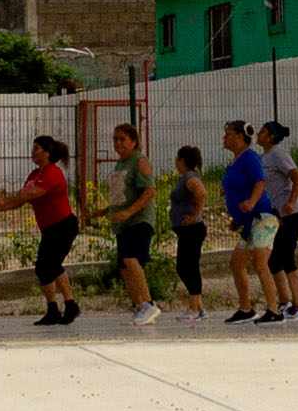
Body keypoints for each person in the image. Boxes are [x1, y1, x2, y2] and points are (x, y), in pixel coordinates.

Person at [0, 133, 83, 326]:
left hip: (63, 225)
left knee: (50, 265)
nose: (32, 152)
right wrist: (0, 207)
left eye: (36, 148)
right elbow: (22, 199)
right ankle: (54, 309)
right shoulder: (34, 175)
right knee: (44, 268)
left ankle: (70, 305)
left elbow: (32, 194)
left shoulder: (52, 173)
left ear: (47, 152)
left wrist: (5, 200)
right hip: (49, 229)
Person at [100, 122, 155, 320]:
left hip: (138, 220)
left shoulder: (139, 161)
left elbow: (150, 191)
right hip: (122, 224)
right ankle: (139, 305)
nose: (118, 143)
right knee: (123, 266)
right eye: (115, 139)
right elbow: (121, 195)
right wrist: (103, 212)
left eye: (122, 139)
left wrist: (129, 212)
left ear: (133, 141)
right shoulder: (120, 164)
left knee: (131, 259)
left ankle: (148, 303)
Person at [217, 123, 269, 322]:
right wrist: (236, 219)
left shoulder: (249, 157)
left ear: (240, 137)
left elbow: (259, 182)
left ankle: (274, 309)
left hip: (261, 217)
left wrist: (252, 202)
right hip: (247, 222)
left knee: (260, 263)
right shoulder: (235, 161)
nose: (224, 138)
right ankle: (246, 308)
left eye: (228, 134)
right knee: (236, 262)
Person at [258, 121, 298, 322]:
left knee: (286, 256)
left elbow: (297, 177)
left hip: (292, 213)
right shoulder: (264, 157)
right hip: (277, 215)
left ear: (271, 136)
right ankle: (284, 301)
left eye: (262, 131)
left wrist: (291, 202)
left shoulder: (278, 154)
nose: (259, 134)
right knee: (273, 259)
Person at [161, 135, 208, 316]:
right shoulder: (186, 178)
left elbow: (201, 193)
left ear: (182, 160)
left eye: (177, 159)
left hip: (192, 230)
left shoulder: (190, 177)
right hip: (187, 231)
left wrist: (194, 216)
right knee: (186, 266)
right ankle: (198, 307)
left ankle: (194, 307)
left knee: (187, 267)